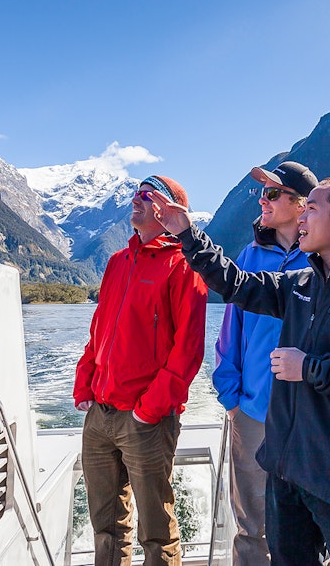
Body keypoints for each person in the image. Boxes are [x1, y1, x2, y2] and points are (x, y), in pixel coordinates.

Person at [148, 175, 330, 566]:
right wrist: (187, 234)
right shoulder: (299, 285)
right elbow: (236, 284)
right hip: (287, 474)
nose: (302, 219)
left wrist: (310, 368)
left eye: (312, 208)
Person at [73, 175, 208, 566]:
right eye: (136, 193)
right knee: (106, 528)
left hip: (145, 420)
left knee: (156, 534)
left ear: (168, 210)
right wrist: (85, 383)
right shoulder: (118, 261)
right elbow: (98, 331)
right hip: (100, 414)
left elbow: (188, 351)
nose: (136, 200)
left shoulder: (185, 264)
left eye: (146, 196)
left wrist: (149, 409)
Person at [214, 160, 318, 566]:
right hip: (253, 410)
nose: (263, 199)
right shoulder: (250, 254)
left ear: (301, 204)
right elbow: (231, 328)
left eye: (273, 193)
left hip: (308, 413)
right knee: (251, 521)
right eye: (262, 192)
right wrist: (231, 397)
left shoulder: (321, 257)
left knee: (305, 521)